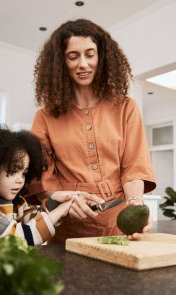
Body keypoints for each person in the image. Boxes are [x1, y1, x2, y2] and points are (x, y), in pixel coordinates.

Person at [27, 19, 156, 244]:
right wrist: (62, 198)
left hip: (118, 225)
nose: (83, 64)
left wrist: (136, 203)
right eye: (73, 56)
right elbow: (41, 177)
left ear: (102, 57)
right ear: (61, 62)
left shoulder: (126, 107)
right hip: (68, 225)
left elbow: (134, 166)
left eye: (90, 54)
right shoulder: (45, 117)